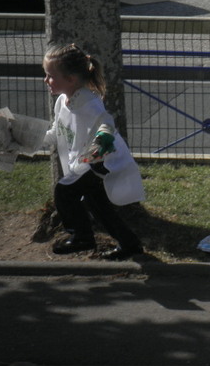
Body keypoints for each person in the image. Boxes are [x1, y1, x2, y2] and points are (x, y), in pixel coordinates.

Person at [42, 43, 145, 260]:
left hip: (103, 163)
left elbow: (106, 123)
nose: (46, 80)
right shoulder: (63, 101)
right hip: (88, 162)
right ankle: (130, 244)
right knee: (96, 204)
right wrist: (21, 135)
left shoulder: (89, 102)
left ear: (70, 79)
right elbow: (55, 133)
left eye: (50, 76)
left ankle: (81, 236)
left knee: (65, 191)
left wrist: (98, 148)